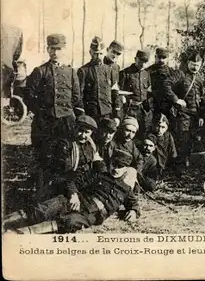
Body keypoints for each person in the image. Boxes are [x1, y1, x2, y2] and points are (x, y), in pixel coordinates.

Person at [3, 141, 140, 234]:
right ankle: (5, 221)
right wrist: (74, 195)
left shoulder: (126, 189)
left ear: (125, 169)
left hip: (92, 214)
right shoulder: (100, 175)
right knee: (43, 209)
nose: (116, 169)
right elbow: (72, 181)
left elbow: (134, 204)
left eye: (120, 167)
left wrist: (133, 212)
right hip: (77, 201)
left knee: (69, 222)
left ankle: (19, 234)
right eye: (114, 165)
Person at [24, 34, 84, 189]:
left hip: (66, 122)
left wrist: (73, 115)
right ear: (47, 49)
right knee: (45, 156)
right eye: (52, 49)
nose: (55, 52)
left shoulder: (71, 72)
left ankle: (65, 188)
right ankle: (43, 189)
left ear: (64, 49)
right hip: (46, 122)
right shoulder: (40, 71)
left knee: (65, 156)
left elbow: (76, 98)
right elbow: (29, 96)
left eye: (58, 49)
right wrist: (41, 113)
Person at [159, 47, 205, 169]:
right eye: (192, 64)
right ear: (188, 63)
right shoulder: (180, 74)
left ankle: (186, 163)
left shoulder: (200, 79)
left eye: (197, 65)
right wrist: (176, 99)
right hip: (182, 114)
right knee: (182, 139)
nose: (195, 67)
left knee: (191, 139)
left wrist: (201, 115)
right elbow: (166, 85)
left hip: (195, 115)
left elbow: (201, 98)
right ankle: (178, 166)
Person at [77, 36, 121, 126]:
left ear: (104, 52)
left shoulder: (110, 70)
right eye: (95, 54)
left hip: (107, 113)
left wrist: (117, 115)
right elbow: (79, 95)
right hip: (91, 114)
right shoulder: (83, 71)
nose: (98, 57)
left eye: (101, 54)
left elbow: (115, 93)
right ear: (90, 53)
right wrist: (82, 114)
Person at [119, 49, 153, 138]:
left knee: (142, 134)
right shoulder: (125, 73)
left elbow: (148, 90)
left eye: (145, 62)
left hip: (142, 110)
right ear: (135, 59)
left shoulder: (146, 74)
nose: (143, 64)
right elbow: (119, 93)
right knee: (129, 134)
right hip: (129, 109)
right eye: (141, 61)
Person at [151, 113, 178, 178]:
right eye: (158, 126)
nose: (160, 130)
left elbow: (173, 151)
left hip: (165, 162)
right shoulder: (151, 136)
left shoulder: (168, 136)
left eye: (163, 127)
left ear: (167, 128)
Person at [148, 47, 171, 117]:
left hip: (167, 106)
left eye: (164, 58)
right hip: (152, 106)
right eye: (159, 57)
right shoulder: (148, 71)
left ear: (167, 59)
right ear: (155, 57)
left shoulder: (171, 72)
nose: (161, 60)